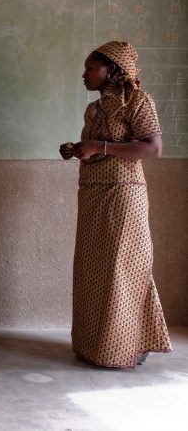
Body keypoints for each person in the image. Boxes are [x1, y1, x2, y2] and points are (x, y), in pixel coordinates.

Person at [59, 41, 172, 369]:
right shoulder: (93, 110)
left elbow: (153, 149)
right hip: (93, 195)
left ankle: (129, 345)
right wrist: (78, 149)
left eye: (90, 68)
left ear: (112, 70)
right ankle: (94, 344)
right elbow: (98, 148)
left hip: (124, 197)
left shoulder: (138, 101)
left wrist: (100, 146)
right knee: (93, 270)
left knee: (123, 268)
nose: (84, 75)